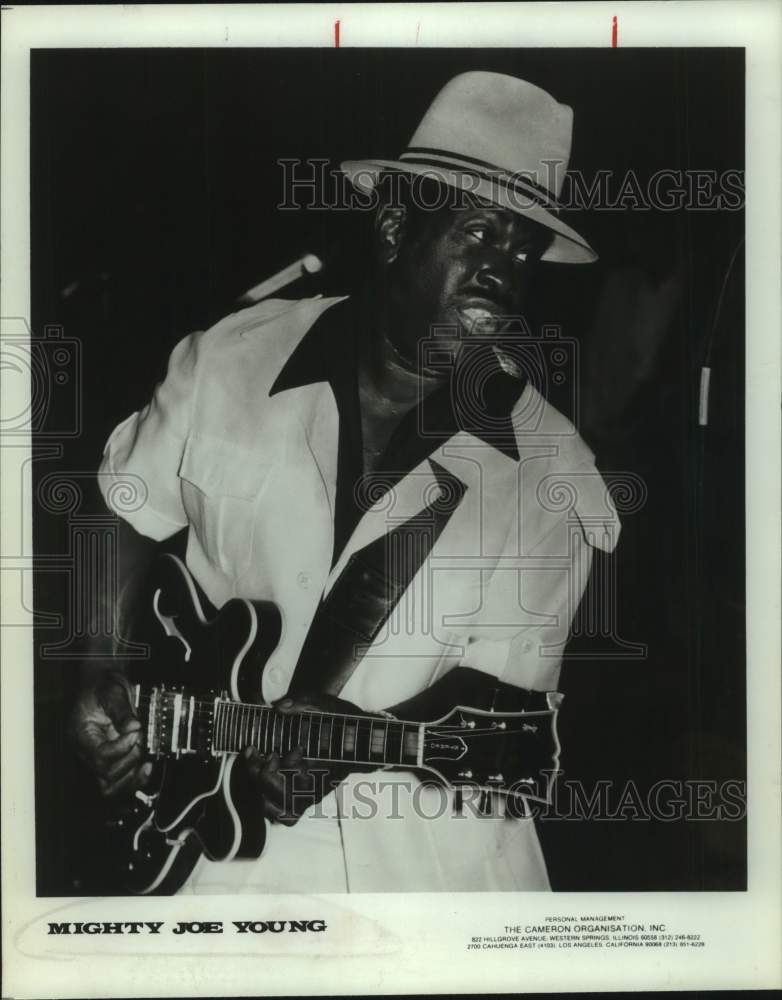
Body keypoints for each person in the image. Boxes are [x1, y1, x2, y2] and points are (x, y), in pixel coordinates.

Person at [70, 71, 620, 892]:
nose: (504, 273)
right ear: (397, 226)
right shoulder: (227, 360)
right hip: (204, 862)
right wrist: (97, 661)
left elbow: (500, 734)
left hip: (426, 883)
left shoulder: (558, 483)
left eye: (523, 250)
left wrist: (348, 741)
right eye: (479, 233)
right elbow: (122, 501)